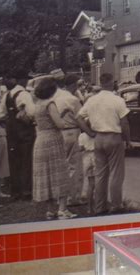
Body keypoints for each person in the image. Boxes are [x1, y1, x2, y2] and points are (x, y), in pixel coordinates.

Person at [77, 73, 131, 215]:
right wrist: (128, 140)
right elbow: (124, 123)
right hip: (113, 137)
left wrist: (90, 132)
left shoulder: (92, 100)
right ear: (112, 83)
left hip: (98, 138)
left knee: (100, 174)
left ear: (100, 83)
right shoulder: (117, 100)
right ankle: (116, 204)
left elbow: (79, 118)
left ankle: (100, 206)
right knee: (116, 173)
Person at [32, 78, 76, 220]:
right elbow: (60, 125)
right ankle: (63, 209)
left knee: (47, 175)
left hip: (41, 139)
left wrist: (60, 115)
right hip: (53, 140)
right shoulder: (50, 104)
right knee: (59, 173)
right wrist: (64, 116)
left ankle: (50, 210)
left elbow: (46, 121)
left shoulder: (37, 104)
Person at [0, 72, 35, 200]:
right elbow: (32, 113)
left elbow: (1, 115)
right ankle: (26, 191)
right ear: (22, 80)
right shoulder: (24, 94)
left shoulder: (6, 95)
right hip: (25, 131)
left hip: (11, 132)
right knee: (26, 160)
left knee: (14, 161)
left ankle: (15, 191)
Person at [54, 74, 84, 206]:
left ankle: (59, 196)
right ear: (72, 85)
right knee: (74, 166)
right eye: (76, 85)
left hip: (59, 132)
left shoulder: (56, 97)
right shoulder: (72, 99)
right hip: (72, 130)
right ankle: (73, 197)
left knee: (61, 165)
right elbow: (81, 118)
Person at [78, 131, 96, 215]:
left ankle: (89, 207)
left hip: (86, 158)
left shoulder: (82, 136)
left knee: (89, 183)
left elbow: (81, 148)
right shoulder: (97, 134)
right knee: (94, 183)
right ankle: (96, 205)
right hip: (96, 156)